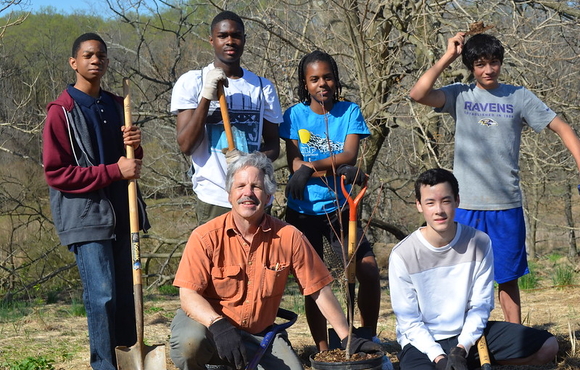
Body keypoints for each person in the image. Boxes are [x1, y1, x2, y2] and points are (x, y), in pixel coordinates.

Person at [409, 32, 580, 324]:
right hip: (466, 207)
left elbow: (562, 128)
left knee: (508, 278)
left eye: (494, 62)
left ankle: (514, 341)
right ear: (470, 66)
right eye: (480, 64)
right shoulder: (459, 94)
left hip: (505, 205)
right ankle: (462, 341)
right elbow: (418, 94)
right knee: (463, 278)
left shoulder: (519, 96)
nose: (488, 70)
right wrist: (448, 56)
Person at [168, 151, 381, 370]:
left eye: (256, 187)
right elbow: (188, 295)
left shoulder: (289, 236)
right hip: (210, 328)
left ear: (269, 196)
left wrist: (347, 336)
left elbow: (319, 289)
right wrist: (218, 325)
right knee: (189, 345)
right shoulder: (205, 236)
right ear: (229, 194)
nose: (247, 193)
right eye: (240, 186)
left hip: (259, 335)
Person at [43, 33, 150, 370]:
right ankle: (104, 366)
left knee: (126, 296)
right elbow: (56, 173)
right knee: (102, 297)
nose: (96, 60)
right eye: (88, 55)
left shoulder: (118, 105)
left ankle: (128, 361)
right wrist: (112, 171)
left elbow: (129, 166)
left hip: (124, 213)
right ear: (74, 62)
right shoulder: (62, 112)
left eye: (101, 55)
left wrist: (136, 146)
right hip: (87, 219)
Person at [388, 168, 559, 370]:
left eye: (446, 201)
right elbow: (409, 323)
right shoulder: (402, 254)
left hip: (469, 336)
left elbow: (481, 304)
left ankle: (469, 361)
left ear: (457, 201)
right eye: (430, 203)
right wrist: (440, 359)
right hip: (422, 344)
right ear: (419, 205)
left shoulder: (479, 242)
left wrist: (462, 347)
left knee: (548, 346)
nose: (439, 210)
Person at [279, 50, 381, 351]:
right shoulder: (295, 115)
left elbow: (349, 155)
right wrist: (312, 168)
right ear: (305, 83)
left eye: (327, 77)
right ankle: (323, 350)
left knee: (367, 269)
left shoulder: (349, 112)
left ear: (335, 79)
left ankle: (367, 336)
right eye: (314, 79)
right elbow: (294, 162)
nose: (322, 84)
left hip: (339, 209)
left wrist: (311, 167)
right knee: (313, 284)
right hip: (302, 211)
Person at [171, 10, 283, 225]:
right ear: (212, 40)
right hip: (214, 198)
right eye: (223, 36)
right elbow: (186, 145)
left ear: (244, 39)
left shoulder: (262, 87)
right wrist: (206, 96)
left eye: (236, 35)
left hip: (254, 197)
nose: (230, 41)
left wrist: (248, 160)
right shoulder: (192, 82)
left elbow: (273, 146)